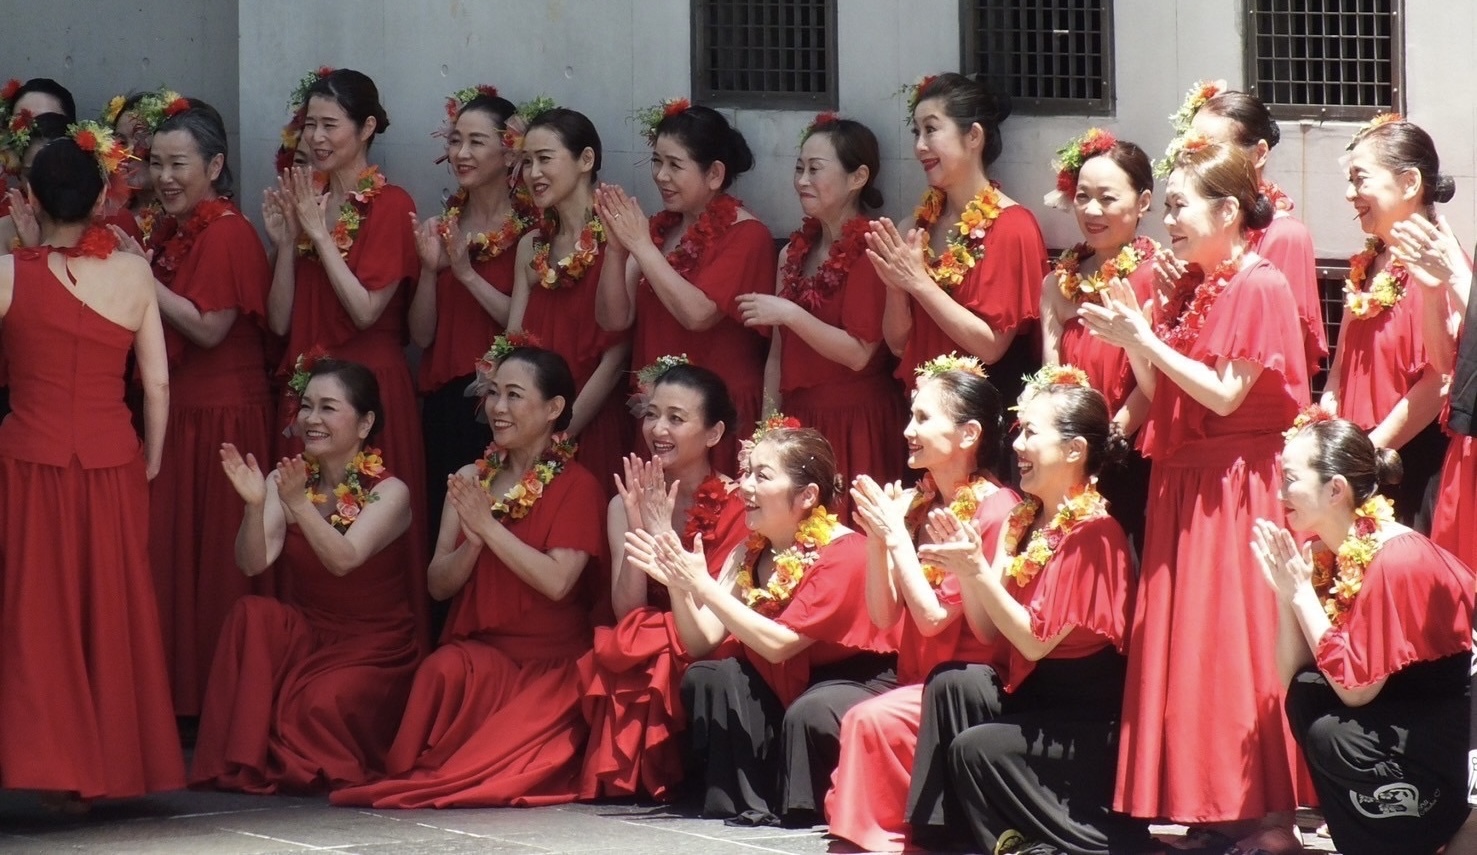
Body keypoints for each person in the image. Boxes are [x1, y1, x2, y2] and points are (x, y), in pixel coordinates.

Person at [1081, 139, 1309, 853]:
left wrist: (1145, 336)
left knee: (1237, 641)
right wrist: (1138, 340)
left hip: (1236, 484)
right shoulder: (1194, 286)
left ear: (1228, 210)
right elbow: (1163, 393)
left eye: (1179, 206)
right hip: (1184, 478)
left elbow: (1224, 393)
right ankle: (1208, 809)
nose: (1169, 221)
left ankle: (1268, 818)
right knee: (1192, 645)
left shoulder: (1260, 284)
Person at [331, 345, 606, 808]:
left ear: (554, 408)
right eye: (493, 393)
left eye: (514, 395)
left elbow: (558, 582)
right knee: (440, 669)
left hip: (549, 666)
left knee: (494, 770)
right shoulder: (469, 478)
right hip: (483, 655)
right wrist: (473, 542)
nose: (498, 407)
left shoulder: (578, 485)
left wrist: (487, 528)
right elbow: (438, 584)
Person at [0, 125, 182, 809]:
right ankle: (112, 760)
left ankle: (47, 761)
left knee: (37, 608)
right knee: (112, 604)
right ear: (103, 197)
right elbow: (156, 381)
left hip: (29, 460)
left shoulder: (8, 273)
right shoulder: (134, 272)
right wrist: (152, 457)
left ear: (30, 199)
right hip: (113, 457)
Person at [916, 372, 1151, 855]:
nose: (1017, 445)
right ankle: (947, 839)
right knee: (952, 682)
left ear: (1074, 450)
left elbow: (1033, 642)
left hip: (1082, 725)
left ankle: (1023, 843)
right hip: (1035, 697)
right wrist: (968, 569)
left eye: (1031, 432)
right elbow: (987, 630)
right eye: (1018, 431)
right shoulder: (1023, 521)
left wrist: (974, 569)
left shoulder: (1094, 533)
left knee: (975, 749)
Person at [626, 422, 896, 826]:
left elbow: (779, 644)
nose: (745, 487)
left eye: (762, 476)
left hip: (852, 681)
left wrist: (701, 584)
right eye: (746, 472)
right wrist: (680, 585)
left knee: (811, 709)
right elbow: (701, 641)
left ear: (807, 495)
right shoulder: (748, 551)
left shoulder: (845, 552)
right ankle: (746, 799)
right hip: (784, 680)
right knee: (710, 676)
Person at [108, 103, 276, 717]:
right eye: (157, 163)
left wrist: (139, 275)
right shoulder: (172, 231)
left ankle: (217, 699)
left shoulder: (228, 232)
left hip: (224, 417)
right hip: (181, 412)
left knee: (216, 564)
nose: (166, 176)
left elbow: (210, 328)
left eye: (179, 163)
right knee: (173, 556)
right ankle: (174, 697)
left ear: (215, 165)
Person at [193, 358, 422, 792]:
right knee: (251, 613)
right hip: (308, 633)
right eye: (306, 406)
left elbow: (344, 560)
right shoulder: (289, 480)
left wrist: (297, 504)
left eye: (328, 408)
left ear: (365, 423)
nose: (311, 419)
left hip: (373, 647)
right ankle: (241, 754)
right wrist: (255, 506)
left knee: (317, 706)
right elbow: (252, 563)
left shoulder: (390, 491)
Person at [1253, 413, 1474, 855]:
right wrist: (1286, 595)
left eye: (1290, 480)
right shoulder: (1329, 550)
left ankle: (1442, 829)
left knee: (1335, 736)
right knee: (1306, 697)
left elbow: (1355, 692)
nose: (1280, 494)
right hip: (1407, 707)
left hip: (1456, 723)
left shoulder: (1396, 557)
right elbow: (1292, 676)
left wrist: (1302, 594)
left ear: (1335, 489)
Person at [824, 356, 1018, 852]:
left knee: (866, 719)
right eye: (911, 416)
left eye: (924, 418)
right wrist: (878, 539)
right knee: (855, 714)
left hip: (965, 687)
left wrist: (895, 537)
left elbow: (932, 619)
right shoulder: (919, 505)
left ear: (969, 434)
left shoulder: (996, 509)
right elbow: (883, 615)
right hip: (916, 677)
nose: (908, 430)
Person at [262, 68, 428, 602]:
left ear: (367, 128)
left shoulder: (391, 203)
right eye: (310, 125)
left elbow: (365, 312)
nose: (316, 137)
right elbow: (280, 322)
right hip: (307, 388)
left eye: (330, 125)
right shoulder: (305, 201)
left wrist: (318, 235)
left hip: (367, 388)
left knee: (364, 533)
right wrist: (286, 243)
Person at [578, 360, 749, 801]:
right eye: (652, 414)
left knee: (650, 645)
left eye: (676, 418)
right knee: (632, 638)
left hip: (713, 632)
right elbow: (628, 610)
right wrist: (639, 525)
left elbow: (715, 621)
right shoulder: (624, 504)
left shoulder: (741, 505)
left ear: (713, 433)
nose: (658, 429)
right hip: (653, 631)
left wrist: (665, 539)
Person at [737, 113, 904, 517]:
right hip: (800, 416)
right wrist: (768, 429)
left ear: (858, 177)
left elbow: (859, 353)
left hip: (856, 420)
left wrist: (790, 313)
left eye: (815, 169)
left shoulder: (873, 248)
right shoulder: (791, 253)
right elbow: (776, 356)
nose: (802, 180)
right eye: (799, 168)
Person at [595, 100, 773, 471]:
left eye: (675, 165)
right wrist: (616, 251)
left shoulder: (748, 235)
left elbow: (698, 314)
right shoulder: (660, 229)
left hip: (713, 413)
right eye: (656, 161)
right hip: (660, 411)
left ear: (715, 174)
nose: (661, 175)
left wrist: (641, 247)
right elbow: (613, 319)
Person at [864, 72, 1045, 410]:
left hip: (980, 415)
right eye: (916, 132)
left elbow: (991, 347)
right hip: (923, 411)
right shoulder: (914, 226)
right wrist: (895, 287)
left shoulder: (1013, 227)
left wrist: (918, 283)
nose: (919, 146)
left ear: (973, 136)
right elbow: (899, 345)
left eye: (931, 130)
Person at [1320, 116, 1452, 529]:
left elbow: (1440, 380)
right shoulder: (1369, 261)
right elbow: (1342, 363)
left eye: (1360, 179)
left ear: (1409, 183)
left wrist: (1367, 452)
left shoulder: (1443, 266)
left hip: (1405, 467)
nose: (1350, 194)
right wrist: (1328, 409)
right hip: (1356, 463)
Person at [409, 86, 531, 530]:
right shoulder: (442, 227)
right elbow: (421, 336)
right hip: (446, 401)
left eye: (476, 142)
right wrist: (429, 270)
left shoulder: (531, 229)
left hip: (505, 401)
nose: (461, 153)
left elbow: (520, 323)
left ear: (510, 152)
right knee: (446, 523)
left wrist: (465, 273)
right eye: (455, 140)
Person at [1040, 129, 1158, 545]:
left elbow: (1155, 383)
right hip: (1069, 452)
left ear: (1143, 202)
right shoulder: (1057, 282)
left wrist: (1107, 442)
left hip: (1131, 450)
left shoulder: (1159, 276)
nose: (1092, 210)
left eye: (1107, 198)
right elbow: (1051, 375)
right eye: (1083, 196)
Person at [507, 107, 630, 491]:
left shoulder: (620, 239)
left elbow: (615, 359)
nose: (533, 173)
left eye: (545, 159)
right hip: (530, 425)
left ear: (586, 159)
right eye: (527, 162)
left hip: (591, 421)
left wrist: (559, 433)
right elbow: (513, 343)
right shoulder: (531, 245)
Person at [1174, 81, 1326, 379]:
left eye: (1212, 148)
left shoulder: (1284, 235)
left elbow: (1284, 346)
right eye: (1193, 147)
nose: (1198, 159)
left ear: (1259, 153)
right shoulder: (1199, 226)